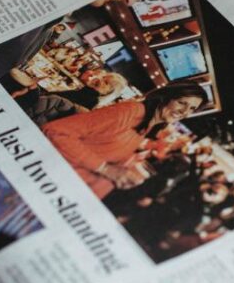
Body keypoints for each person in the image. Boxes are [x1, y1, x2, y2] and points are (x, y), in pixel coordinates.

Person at [41, 83, 206, 198]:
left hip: (69, 189)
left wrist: (120, 176)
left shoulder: (146, 127)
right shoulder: (129, 111)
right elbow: (56, 131)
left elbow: (101, 152)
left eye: (192, 108)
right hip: (49, 178)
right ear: (165, 97)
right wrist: (106, 169)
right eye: (182, 102)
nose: (185, 111)